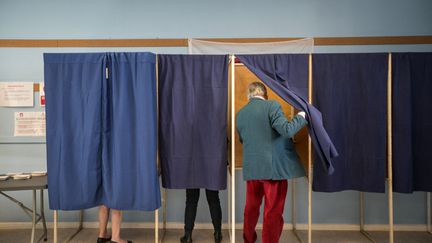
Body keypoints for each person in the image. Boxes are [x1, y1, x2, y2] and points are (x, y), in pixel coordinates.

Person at [236, 82, 308, 243]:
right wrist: (301, 116)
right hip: (273, 170)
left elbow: (243, 140)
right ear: (265, 94)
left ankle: (248, 239)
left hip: (252, 169)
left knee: (251, 208)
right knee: (273, 211)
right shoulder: (272, 105)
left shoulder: (240, 114)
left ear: (249, 95)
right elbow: (287, 130)